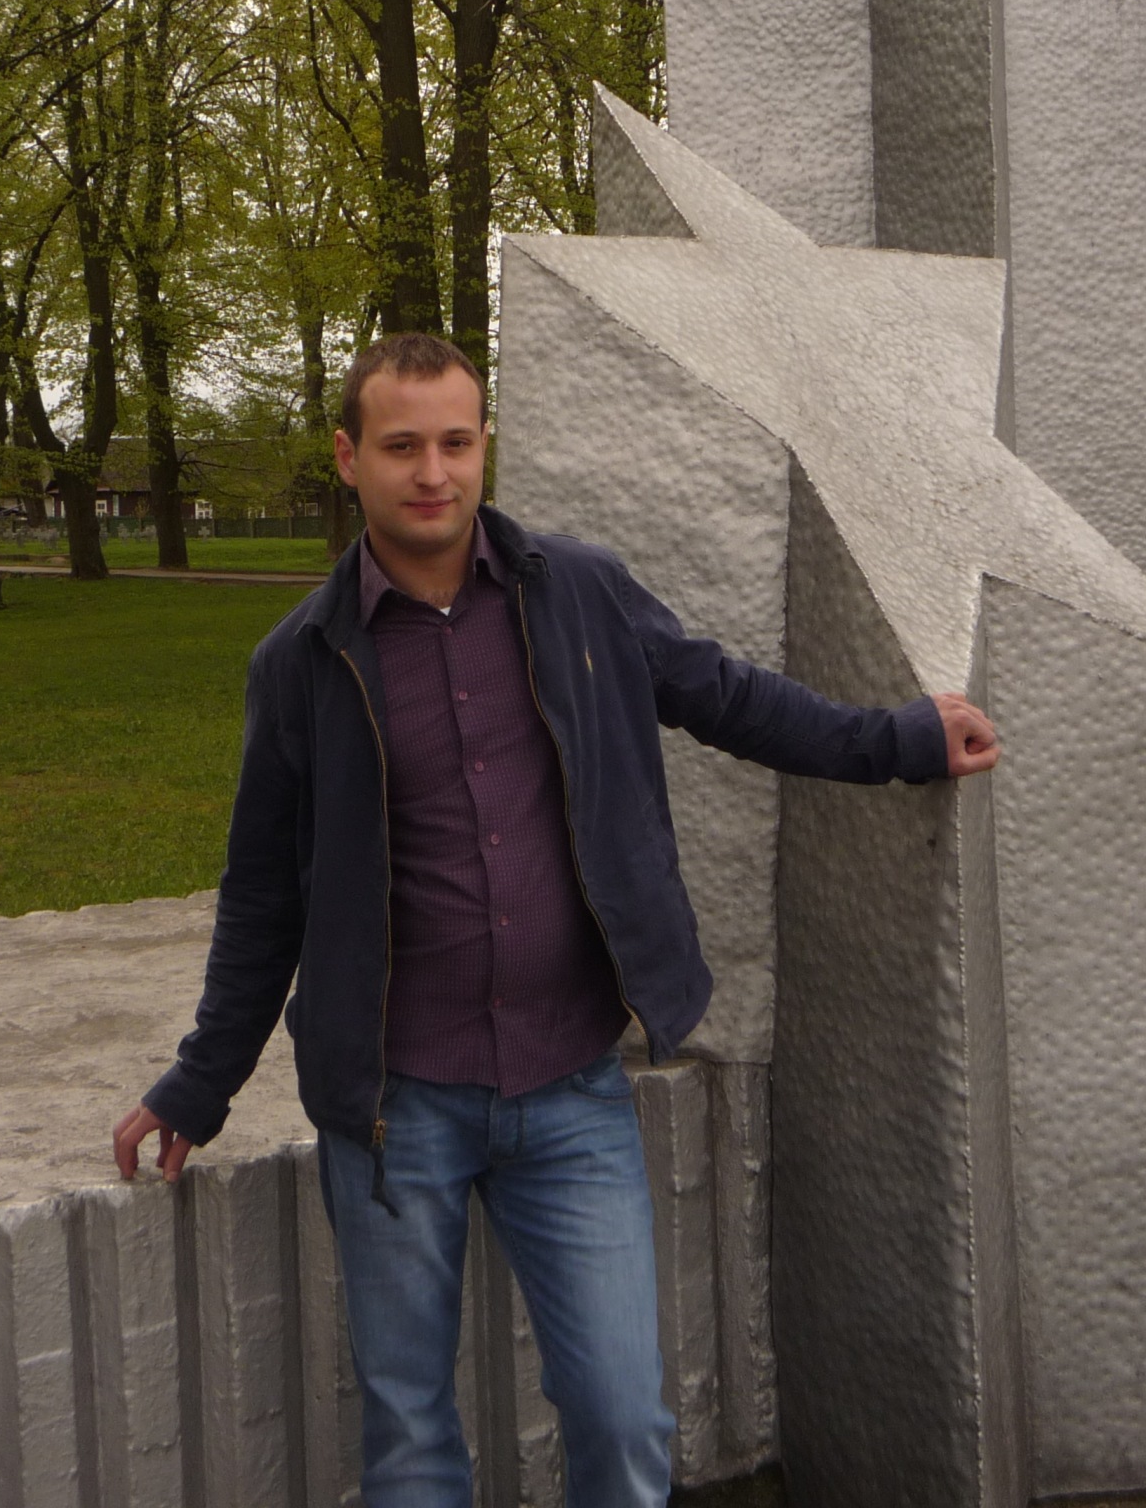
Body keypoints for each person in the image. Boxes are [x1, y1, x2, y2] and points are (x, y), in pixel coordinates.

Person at [113, 332, 998, 1508]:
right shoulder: (301, 662)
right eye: (402, 446)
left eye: (456, 442)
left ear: (485, 445)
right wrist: (200, 1081)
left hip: (569, 1091)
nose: (433, 472)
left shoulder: (577, 590)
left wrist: (896, 740)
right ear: (347, 456)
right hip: (391, 1110)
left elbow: (725, 697)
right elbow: (264, 895)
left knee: (624, 1420)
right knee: (410, 1438)